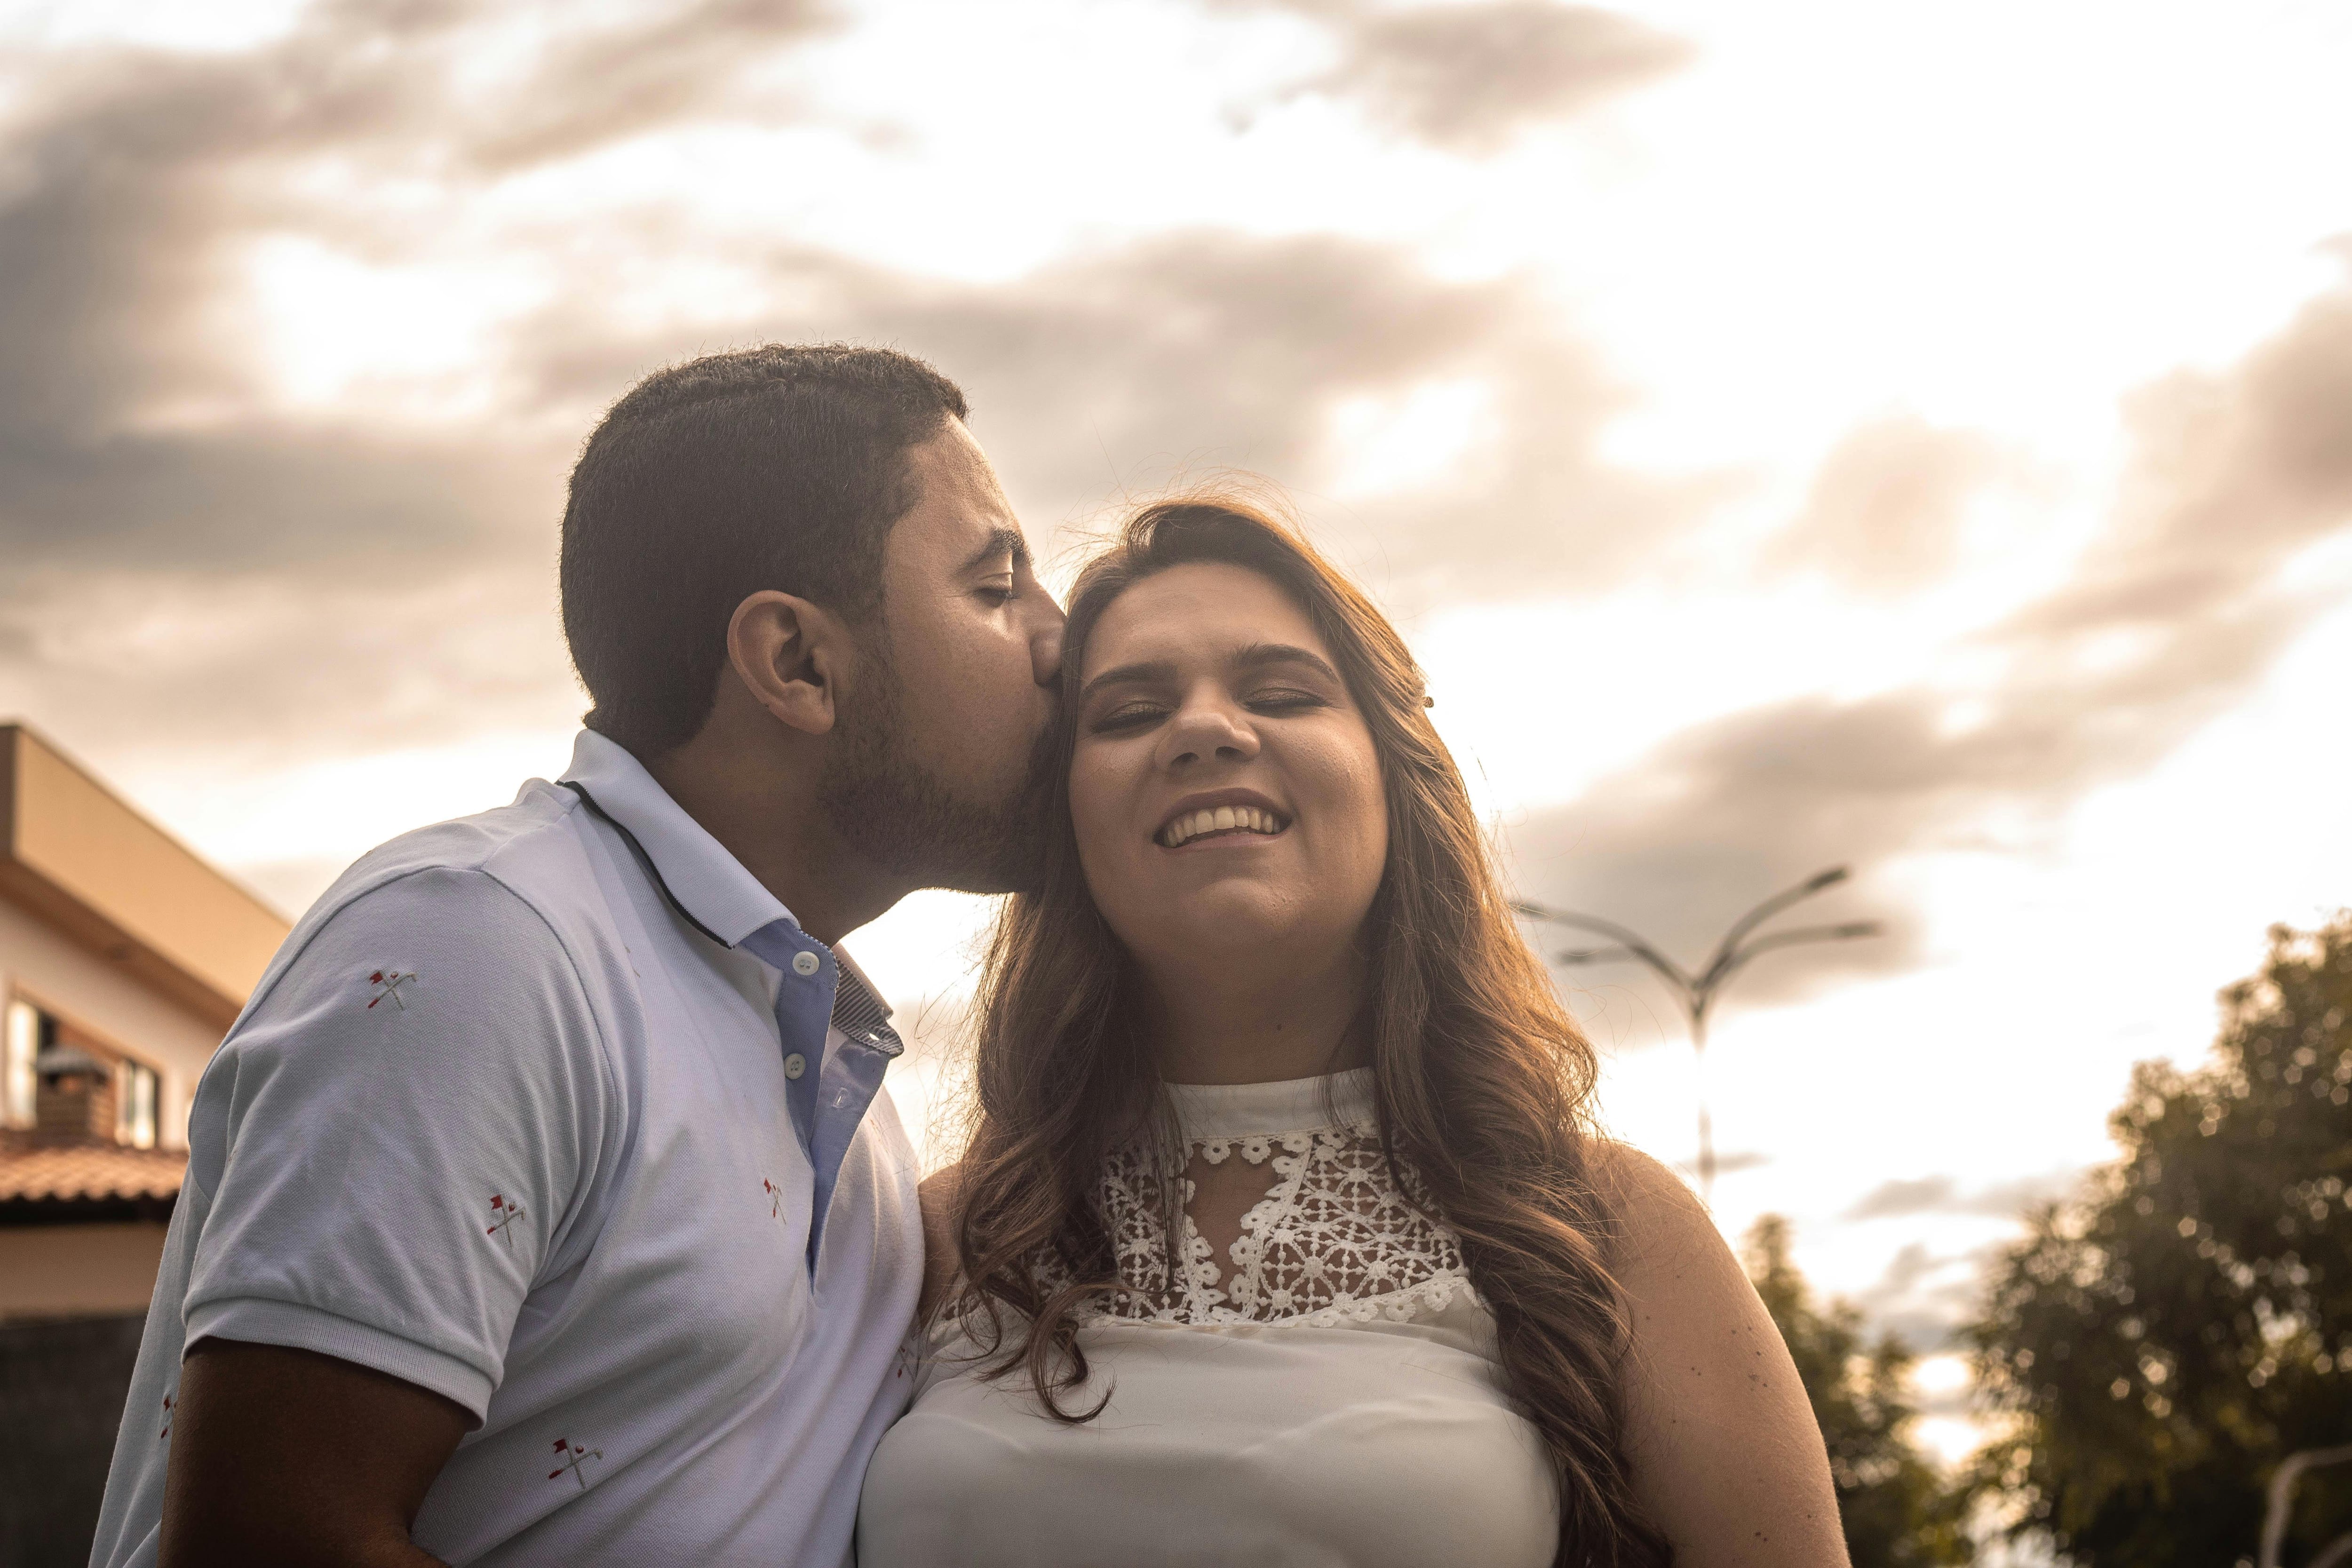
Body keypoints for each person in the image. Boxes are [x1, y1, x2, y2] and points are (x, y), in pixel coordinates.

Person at [89, 345, 1066, 1568]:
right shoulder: (481, 948)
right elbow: (272, 1542)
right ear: (797, 661)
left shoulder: (835, 1075)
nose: (1058, 636)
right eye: (997, 586)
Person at [857, 496, 1848, 1567]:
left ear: (1393, 776)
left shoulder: (1606, 1229)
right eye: (1130, 712)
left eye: (1282, 693)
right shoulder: (944, 1237)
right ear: (1066, 814)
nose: (1204, 729)